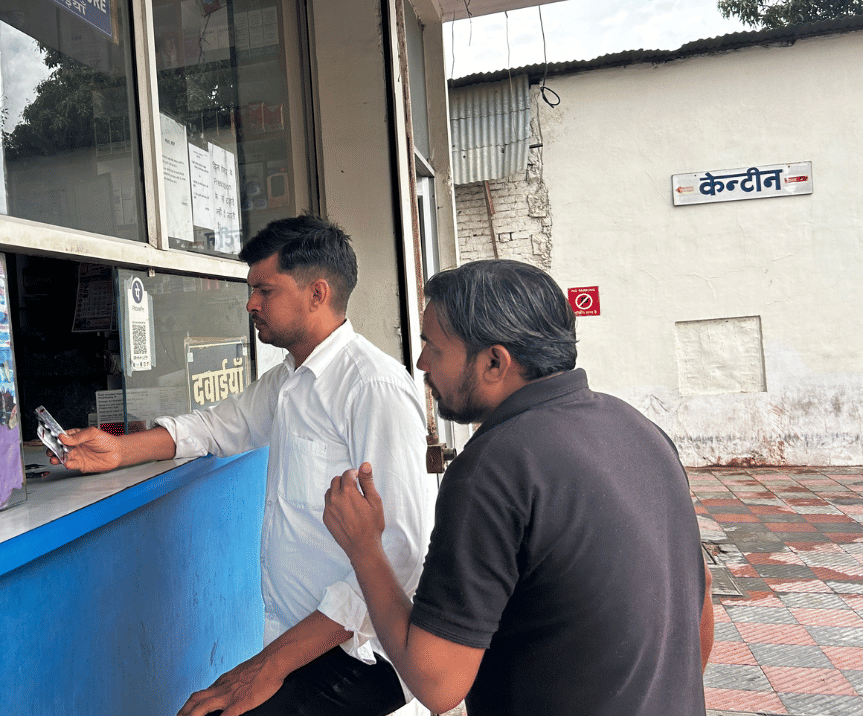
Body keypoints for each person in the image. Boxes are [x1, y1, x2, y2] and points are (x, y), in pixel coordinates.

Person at [47, 215, 434, 716]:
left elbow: (401, 551)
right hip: (298, 640)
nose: (251, 303)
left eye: (264, 290)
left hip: (358, 649)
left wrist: (269, 666)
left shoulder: (371, 387)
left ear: (317, 293)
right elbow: (214, 427)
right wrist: (120, 450)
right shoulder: (291, 381)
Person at [322, 259, 714, 716]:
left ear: (494, 361)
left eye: (433, 344)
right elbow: (697, 614)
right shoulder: (639, 428)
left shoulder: (495, 467)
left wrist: (364, 547)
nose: (421, 361)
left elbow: (437, 682)